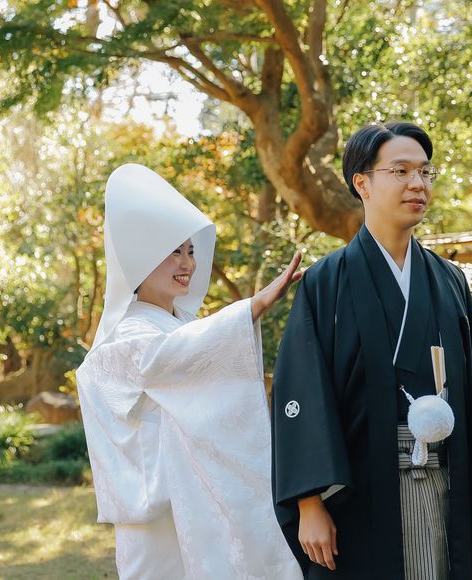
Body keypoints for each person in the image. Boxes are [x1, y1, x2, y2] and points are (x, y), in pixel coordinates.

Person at [271, 121, 472, 580]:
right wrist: (308, 502)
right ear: (361, 183)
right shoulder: (326, 282)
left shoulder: (449, 280)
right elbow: (303, 392)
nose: (418, 184)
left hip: (448, 481)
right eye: (401, 171)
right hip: (360, 489)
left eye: (425, 172)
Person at [76, 164, 303, 580]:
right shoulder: (128, 334)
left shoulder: (180, 325)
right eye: (173, 252)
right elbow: (166, 358)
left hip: (196, 498)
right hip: (156, 512)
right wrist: (253, 306)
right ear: (143, 258)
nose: (187, 263)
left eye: (191, 251)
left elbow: (194, 357)